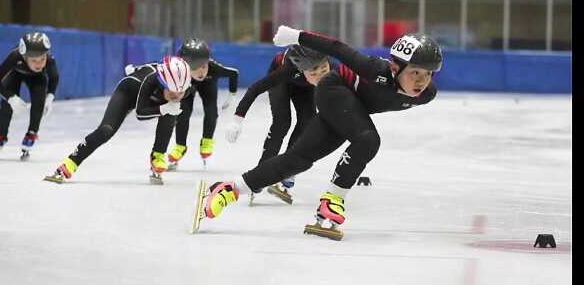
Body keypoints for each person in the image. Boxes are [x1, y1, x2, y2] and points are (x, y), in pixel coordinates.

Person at [196, 26, 443, 239]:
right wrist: (296, 36)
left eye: (428, 74)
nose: (422, 81)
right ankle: (332, 201)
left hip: (350, 108)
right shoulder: (375, 70)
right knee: (368, 139)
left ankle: (229, 189)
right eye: (415, 72)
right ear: (394, 67)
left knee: (298, 160)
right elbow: (337, 48)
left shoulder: (426, 95)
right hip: (333, 90)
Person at [43, 56, 192, 184]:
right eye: (172, 93)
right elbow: (140, 113)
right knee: (106, 130)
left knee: (172, 110)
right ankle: (70, 163)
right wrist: (164, 109)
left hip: (153, 95)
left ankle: (157, 155)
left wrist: (169, 106)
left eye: (181, 92)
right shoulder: (150, 81)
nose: (177, 96)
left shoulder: (184, 85)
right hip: (128, 92)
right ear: (161, 83)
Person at [225, 45, 332, 204]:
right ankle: (259, 173)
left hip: (304, 85)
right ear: (303, 70)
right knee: (282, 123)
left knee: (308, 121)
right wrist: (237, 121)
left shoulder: (329, 66)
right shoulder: (287, 69)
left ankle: (289, 169)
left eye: (324, 72)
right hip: (281, 82)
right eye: (314, 73)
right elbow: (255, 89)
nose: (320, 78)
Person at [156, 38, 239, 171]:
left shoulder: (214, 68)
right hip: (187, 85)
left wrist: (232, 95)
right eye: (194, 66)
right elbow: (158, 68)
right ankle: (180, 146)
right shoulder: (179, 69)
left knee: (211, 110)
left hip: (208, 84)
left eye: (203, 65)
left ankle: (207, 141)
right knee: (183, 112)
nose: (200, 71)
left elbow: (233, 73)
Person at [0, 32, 59, 161]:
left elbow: (54, 78)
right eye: (34, 60)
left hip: (37, 79)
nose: (39, 64)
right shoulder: (14, 56)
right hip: (16, 74)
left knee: (39, 98)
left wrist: (50, 97)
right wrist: (11, 98)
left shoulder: (50, 60)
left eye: (42, 59)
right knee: (6, 101)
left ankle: (32, 133)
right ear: (24, 57)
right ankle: (0, 137)